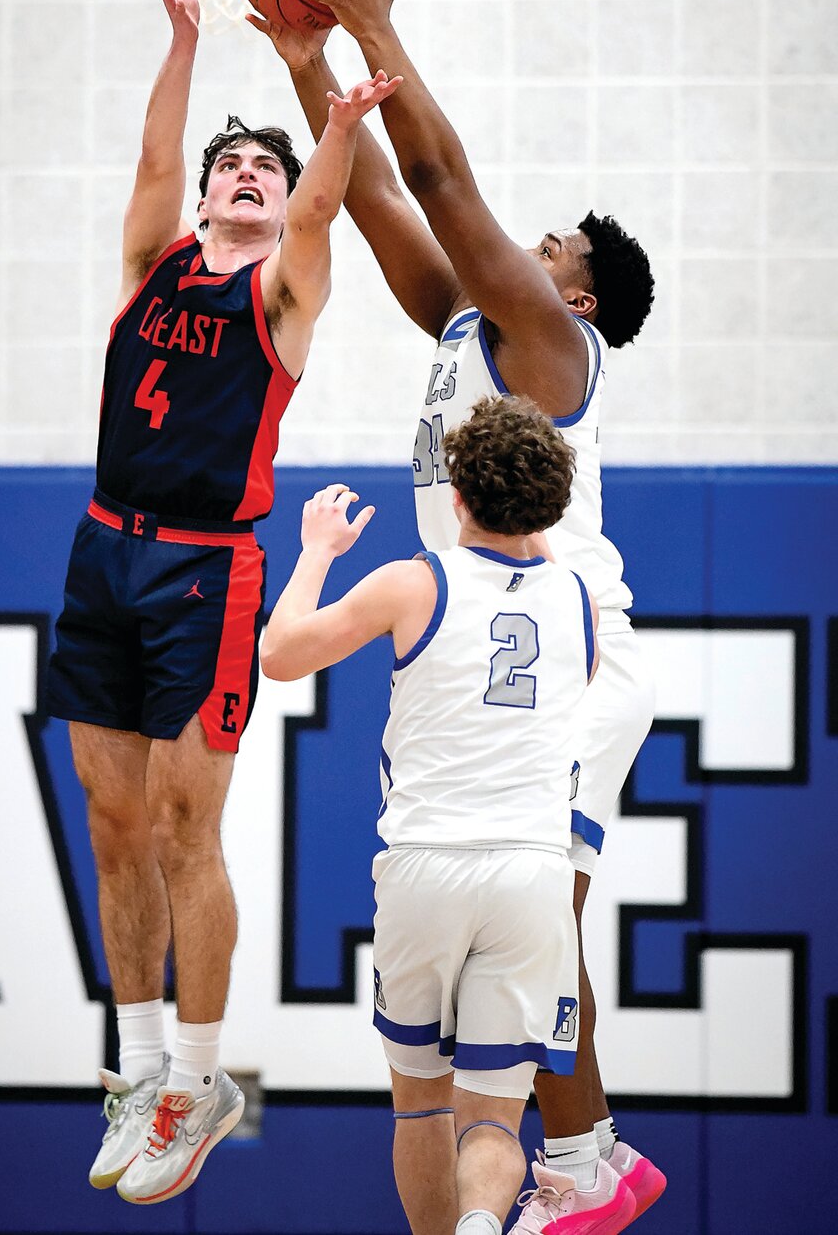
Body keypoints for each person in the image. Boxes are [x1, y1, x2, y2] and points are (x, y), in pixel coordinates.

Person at [243, 0, 665, 1233]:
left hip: (563, 639)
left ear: (580, 295)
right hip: (494, 619)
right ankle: (580, 1156)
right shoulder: (472, 327)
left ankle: (589, 1160)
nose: (522, 250)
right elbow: (375, 191)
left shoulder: (550, 342)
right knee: (523, 923)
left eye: (549, 246)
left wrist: (372, 21)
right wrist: (318, 68)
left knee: (542, 920)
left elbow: (434, 172)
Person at [46, 0, 400, 1206]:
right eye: (228, 167)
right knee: (111, 822)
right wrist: (186, 39)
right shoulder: (152, 264)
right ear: (201, 199)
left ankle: (201, 1079)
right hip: (105, 551)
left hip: (210, 570)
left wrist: (343, 116)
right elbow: (152, 162)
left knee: (191, 827)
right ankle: (139, 1069)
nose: (246, 176)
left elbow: (317, 210)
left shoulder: (285, 292)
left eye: (264, 168)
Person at [261, 394, 631, 1235]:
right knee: (495, 1117)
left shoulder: (412, 582)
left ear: (455, 495)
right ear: (551, 503)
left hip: (428, 865)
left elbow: (278, 656)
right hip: (533, 875)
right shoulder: (580, 605)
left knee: (422, 1108)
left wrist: (316, 553)